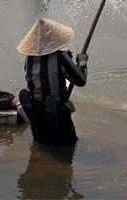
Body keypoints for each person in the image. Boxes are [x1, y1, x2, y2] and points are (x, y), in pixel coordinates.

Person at [17, 17, 88, 145]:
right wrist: (82, 63)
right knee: (69, 147)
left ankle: (35, 109)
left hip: (37, 115)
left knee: (41, 145)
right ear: (54, 41)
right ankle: (52, 109)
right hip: (59, 116)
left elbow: (36, 78)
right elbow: (80, 80)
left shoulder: (29, 59)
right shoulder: (60, 57)